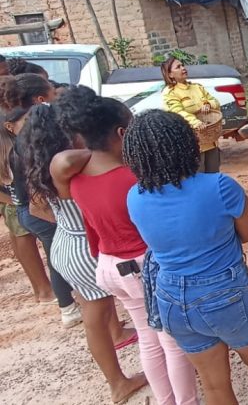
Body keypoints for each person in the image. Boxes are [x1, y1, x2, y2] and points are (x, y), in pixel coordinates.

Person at [124, 110, 248, 405]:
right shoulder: (220, 186)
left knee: (213, 385)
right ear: (188, 143)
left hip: (170, 295)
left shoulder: (134, 196)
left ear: (136, 155)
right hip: (226, 292)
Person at [56, 86, 199, 405]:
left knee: (149, 339)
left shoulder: (77, 179)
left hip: (109, 266)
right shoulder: (133, 179)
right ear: (123, 133)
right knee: (172, 342)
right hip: (141, 266)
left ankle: (166, 400)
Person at [19, 104, 147, 404]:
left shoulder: (41, 164)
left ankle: (118, 365)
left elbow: (38, 208)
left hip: (66, 240)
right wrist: (100, 152)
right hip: (82, 248)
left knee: (96, 314)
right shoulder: (69, 162)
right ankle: (118, 383)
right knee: (97, 315)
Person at [0, 73, 80, 327]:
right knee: (57, 257)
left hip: (28, 208)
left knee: (56, 254)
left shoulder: (24, 134)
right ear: (40, 100)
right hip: (36, 210)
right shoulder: (35, 135)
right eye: (52, 94)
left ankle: (70, 302)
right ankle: (68, 307)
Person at [0, 108, 54, 303]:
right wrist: (13, 201)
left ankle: (41, 289)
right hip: (19, 205)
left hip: (16, 205)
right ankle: (45, 290)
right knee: (34, 241)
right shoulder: (12, 149)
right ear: (9, 126)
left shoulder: (11, 148)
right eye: (26, 119)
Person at [161, 57, 222, 173]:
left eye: (183, 65)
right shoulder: (170, 93)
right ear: (170, 74)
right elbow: (178, 113)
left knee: (213, 177)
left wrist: (208, 104)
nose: (183, 68)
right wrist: (196, 123)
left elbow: (216, 102)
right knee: (197, 180)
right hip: (191, 144)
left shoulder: (197, 87)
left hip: (210, 141)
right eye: (178, 67)